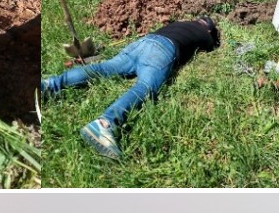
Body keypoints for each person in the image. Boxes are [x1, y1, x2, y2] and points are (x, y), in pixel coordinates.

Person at [43, 16, 220, 159]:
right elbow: (212, 46)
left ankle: (50, 85)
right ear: (209, 28)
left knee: (103, 68)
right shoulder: (204, 34)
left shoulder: (181, 23)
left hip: (142, 42)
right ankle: (106, 123)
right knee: (145, 86)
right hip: (162, 50)